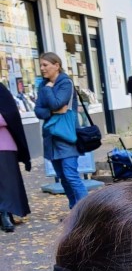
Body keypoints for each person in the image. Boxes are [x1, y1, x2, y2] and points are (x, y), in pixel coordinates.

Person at [34, 52, 88, 209]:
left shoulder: (65, 83)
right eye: (41, 65)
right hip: (51, 137)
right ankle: (74, 211)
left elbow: (57, 103)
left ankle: (87, 212)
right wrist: (52, 112)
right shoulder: (43, 85)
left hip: (66, 137)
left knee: (71, 176)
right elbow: (38, 111)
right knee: (62, 177)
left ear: (56, 65)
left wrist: (50, 92)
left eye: (45, 65)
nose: (42, 69)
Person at [0, 81, 31, 232]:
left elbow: (9, 114)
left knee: (8, 183)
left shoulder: (0, 90)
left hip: (3, 144)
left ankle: (6, 215)